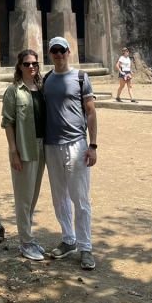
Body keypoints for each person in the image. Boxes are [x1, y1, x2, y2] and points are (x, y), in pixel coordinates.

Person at [43, 36, 98, 271]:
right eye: (54, 50)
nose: (58, 54)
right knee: (59, 198)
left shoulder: (80, 78)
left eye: (62, 50)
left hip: (76, 143)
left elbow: (91, 112)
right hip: (51, 144)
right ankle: (68, 240)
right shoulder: (46, 79)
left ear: (68, 52)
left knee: (80, 199)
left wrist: (93, 145)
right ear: (50, 54)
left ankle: (86, 247)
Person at [0, 49, 46, 261]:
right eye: (27, 64)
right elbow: (7, 122)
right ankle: (25, 242)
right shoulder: (13, 91)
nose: (31, 67)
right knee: (23, 198)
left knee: (33, 196)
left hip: (41, 146)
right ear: (19, 66)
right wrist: (13, 151)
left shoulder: (41, 87)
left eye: (34, 63)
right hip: (23, 147)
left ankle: (29, 237)